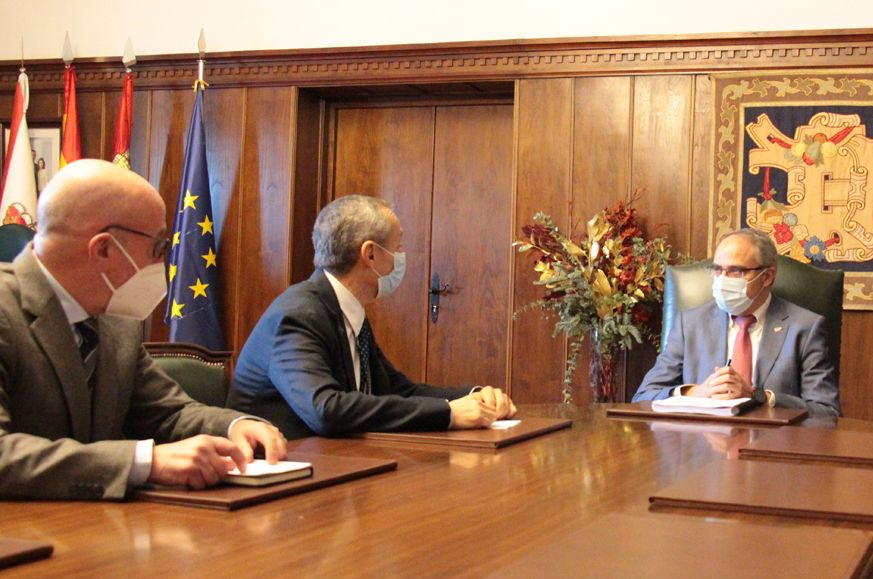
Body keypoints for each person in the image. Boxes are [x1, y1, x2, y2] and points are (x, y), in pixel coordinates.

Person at [0, 159, 287, 500]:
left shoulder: (117, 321)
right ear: (103, 249)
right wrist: (143, 462)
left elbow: (167, 413)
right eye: (159, 248)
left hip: (95, 531)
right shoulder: (6, 309)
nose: (163, 265)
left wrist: (236, 426)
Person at [227, 195, 516, 438]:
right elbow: (326, 410)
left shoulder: (347, 311)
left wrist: (474, 397)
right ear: (370, 254)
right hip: (280, 477)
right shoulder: (298, 315)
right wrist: (448, 414)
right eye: (398, 247)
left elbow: (400, 391)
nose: (402, 257)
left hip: (336, 462)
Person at [632, 228, 840, 417]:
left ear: (767, 277)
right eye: (717, 270)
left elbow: (826, 411)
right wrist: (695, 392)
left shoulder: (805, 327)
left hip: (773, 449)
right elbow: (644, 396)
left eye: (736, 271)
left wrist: (757, 396)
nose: (722, 280)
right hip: (700, 449)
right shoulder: (690, 324)